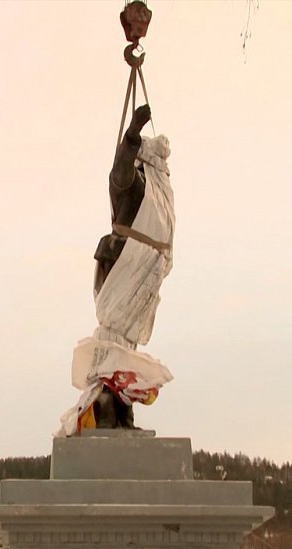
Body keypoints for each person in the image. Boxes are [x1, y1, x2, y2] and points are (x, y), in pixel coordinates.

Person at [57, 104, 175, 436]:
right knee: (114, 337)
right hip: (123, 261)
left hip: (142, 265)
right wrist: (133, 133)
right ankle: (105, 409)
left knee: (125, 344)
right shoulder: (131, 182)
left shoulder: (158, 194)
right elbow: (120, 170)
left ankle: (122, 411)